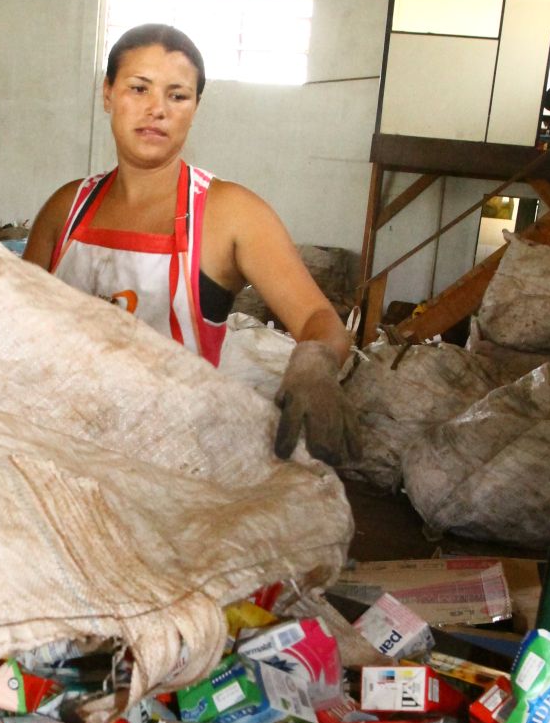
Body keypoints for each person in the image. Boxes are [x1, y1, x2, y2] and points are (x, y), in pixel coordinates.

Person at [23, 24, 354, 465]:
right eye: (138, 88)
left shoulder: (231, 213)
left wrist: (314, 367)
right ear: (107, 94)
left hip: (174, 465)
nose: (156, 109)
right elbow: (17, 326)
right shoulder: (65, 210)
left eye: (177, 96)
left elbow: (317, 317)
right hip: (57, 449)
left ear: (195, 107)